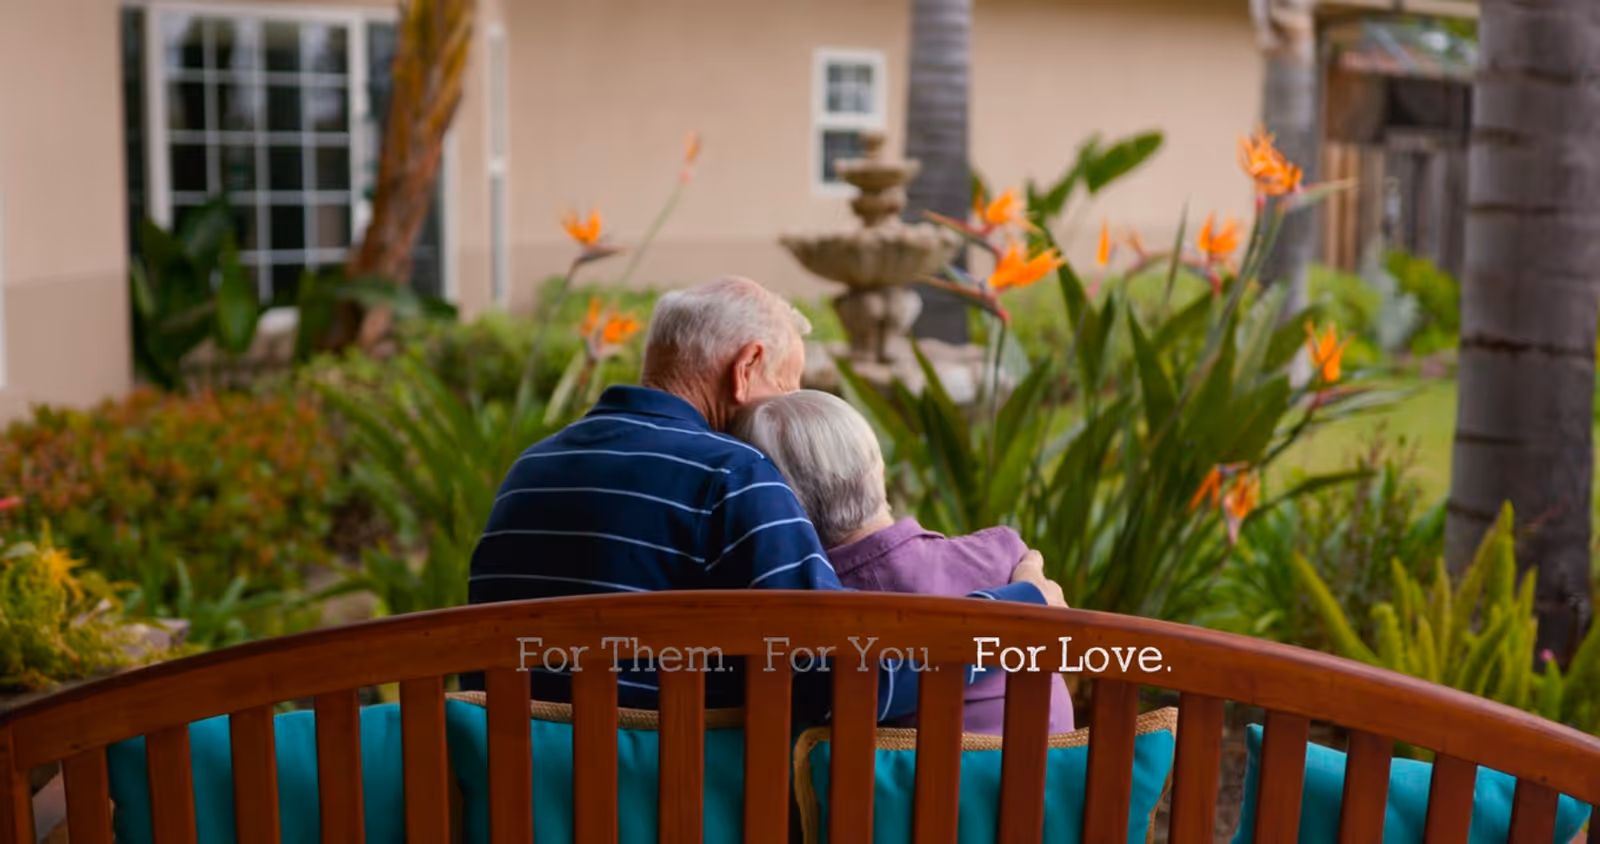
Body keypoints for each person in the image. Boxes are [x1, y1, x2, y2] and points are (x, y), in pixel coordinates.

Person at [467, 276, 1064, 719]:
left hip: (522, 802)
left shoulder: (530, 468)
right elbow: (840, 683)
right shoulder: (733, 478)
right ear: (747, 366)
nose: (792, 404)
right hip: (666, 808)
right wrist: (1019, 612)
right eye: (790, 384)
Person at [731, 389, 1075, 735]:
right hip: (1049, 787)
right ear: (879, 471)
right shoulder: (1006, 558)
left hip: (900, 791)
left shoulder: (808, 615)